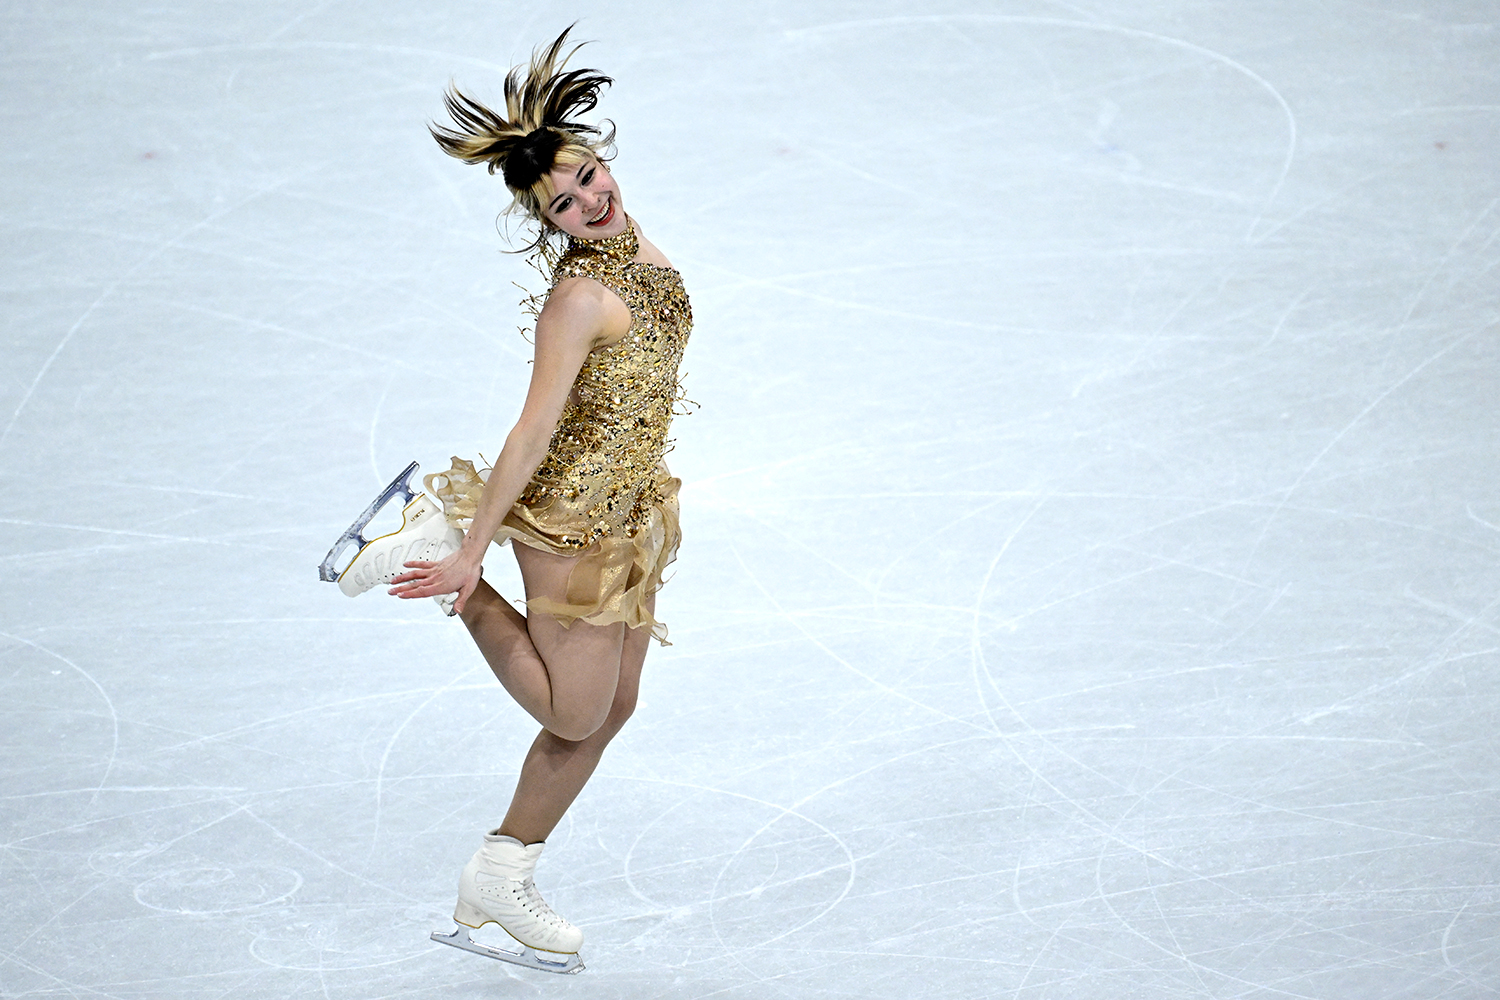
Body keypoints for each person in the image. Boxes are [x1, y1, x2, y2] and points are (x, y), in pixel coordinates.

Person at [318, 27, 692, 975]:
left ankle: (500, 871)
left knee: (614, 708)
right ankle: (437, 551)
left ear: (601, 157)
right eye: (564, 204)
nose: (588, 203)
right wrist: (474, 554)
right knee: (575, 715)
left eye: (588, 178)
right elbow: (532, 430)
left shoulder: (635, 244)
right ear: (546, 221)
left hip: (631, 510)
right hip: (569, 514)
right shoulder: (577, 297)